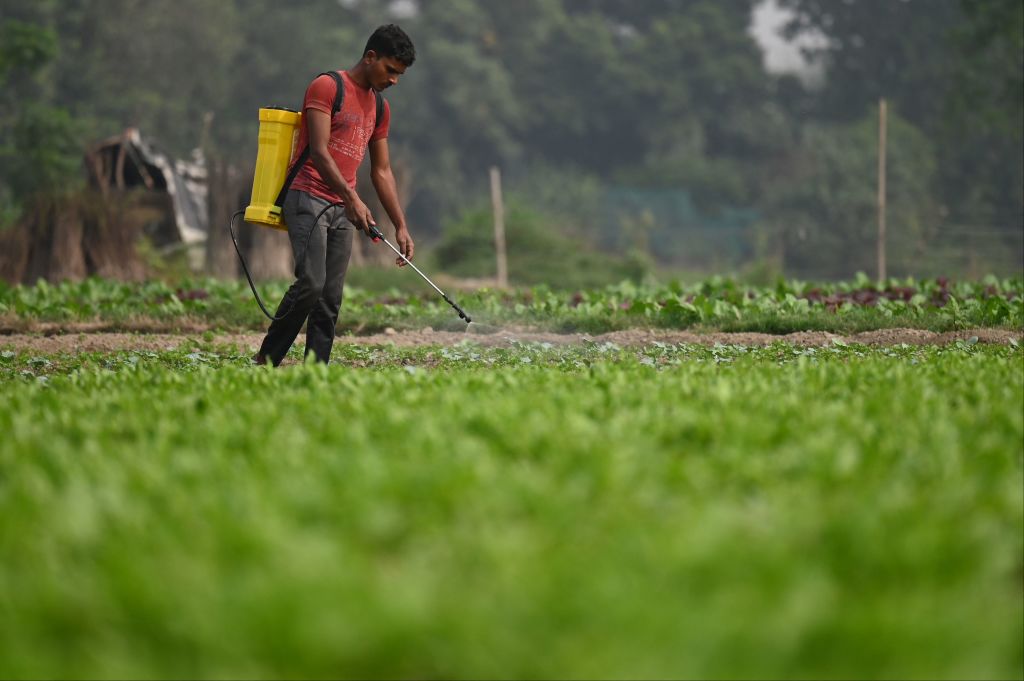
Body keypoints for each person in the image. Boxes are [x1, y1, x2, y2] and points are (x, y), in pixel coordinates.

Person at [255, 24, 416, 366]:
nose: (394, 80)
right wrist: (351, 198)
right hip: (308, 196)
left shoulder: (380, 108)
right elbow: (319, 151)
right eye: (390, 70)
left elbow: (382, 171)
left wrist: (400, 224)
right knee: (312, 283)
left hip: (343, 207)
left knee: (330, 297)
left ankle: (317, 372)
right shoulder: (328, 86)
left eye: (399, 74)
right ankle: (265, 363)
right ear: (370, 56)